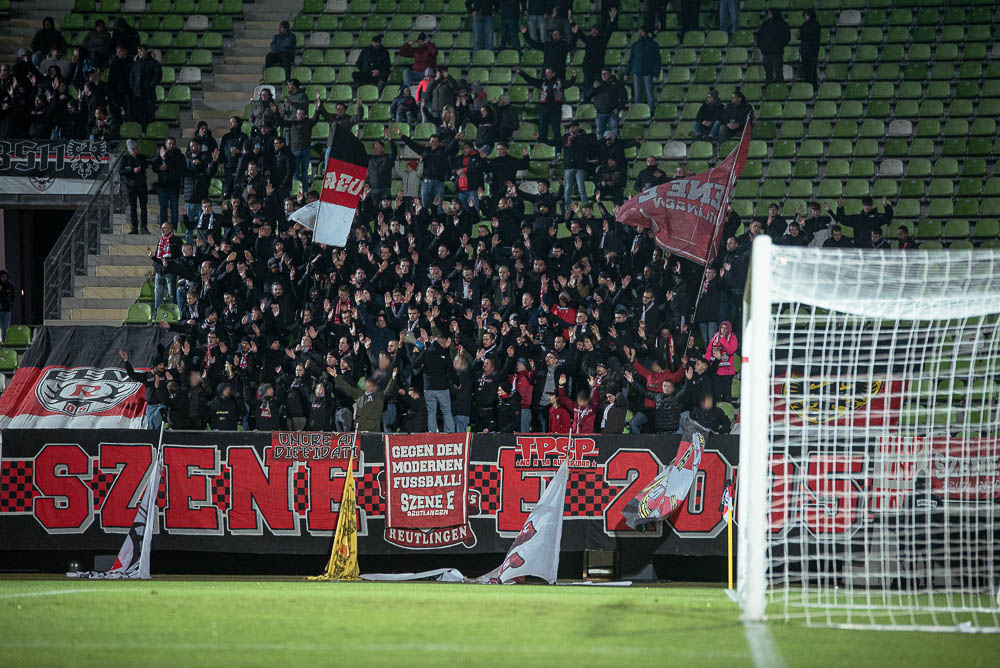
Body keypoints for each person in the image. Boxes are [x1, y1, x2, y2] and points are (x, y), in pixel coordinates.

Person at [395, 126, 459, 212]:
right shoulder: (424, 150)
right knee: (424, 207)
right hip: (426, 182)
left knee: (439, 207)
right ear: (429, 142)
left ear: (439, 143)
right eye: (432, 141)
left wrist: (456, 139)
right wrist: (401, 135)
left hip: (439, 183)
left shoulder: (443, 151)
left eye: (436, 142)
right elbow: (412, 144)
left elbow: (450, 147)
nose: (434, 143)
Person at [515, 66, 573, 146]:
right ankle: (542, 148)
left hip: (555, 110)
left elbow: (569, 83)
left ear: (553, 74)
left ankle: (558, 150)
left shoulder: (560, 82)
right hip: (543, 110)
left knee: (556, 132)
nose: (547, 74)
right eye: (546, 73)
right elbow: (531, 80)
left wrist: (573, 77)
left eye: (548, 73)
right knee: (542, 133)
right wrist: (521, 72)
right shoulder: (542, 82)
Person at [624, 369, 686, 434]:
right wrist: (633, 382)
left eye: (669, 386)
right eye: (664, 386)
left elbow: (685, 390)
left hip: (673, 432)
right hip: (660, 431)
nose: (666, 388)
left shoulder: (677, 397)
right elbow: (644, 392)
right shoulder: (658, 396)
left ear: (673, 388)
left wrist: (688, 380)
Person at [119, 348, 168, 430]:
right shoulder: (146, 375)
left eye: (163, 365)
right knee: (151, 428)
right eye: (160, 365)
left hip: (161, 405)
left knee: (159, 423)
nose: (162, 367)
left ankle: (164, 427)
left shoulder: (166, 374)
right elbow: (132, 375)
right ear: (155, 366)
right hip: (150, 407)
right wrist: (126, 361)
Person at [829, 196, 894, 249]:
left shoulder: (876, 217)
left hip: (872, 248)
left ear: (872, 206)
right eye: (865, 205)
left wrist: (886, 206)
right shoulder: (857, 218)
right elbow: (843, 219)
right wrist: (840, 208)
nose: (867, 207)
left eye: (869, 205)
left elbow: (888, 216)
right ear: (862, 206)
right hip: (858, 247)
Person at [151, 138, 185, 230]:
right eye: (170, 144)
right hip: (162, 186)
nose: (171, 145)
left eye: (173, 144)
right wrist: (159, 167)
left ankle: (174, 229)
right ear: (166, 145)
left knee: (174, 208)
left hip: (174, 186)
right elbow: (154, 167)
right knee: (163, 208)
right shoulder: (160, 154)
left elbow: (178, 168)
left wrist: (165, 159)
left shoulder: (179, 156)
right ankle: (164, 228)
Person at [625, 27, 660, 113]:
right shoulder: (635, 45)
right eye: (639, 32)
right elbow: (631, 60)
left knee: (649, 95)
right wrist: (626, 73)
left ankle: (651, 113)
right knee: (637, 95)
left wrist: (656, 74)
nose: (640, 33)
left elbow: (657, 60)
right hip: (637, 72)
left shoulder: (653, 44)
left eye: (642, 32)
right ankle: (637, 113)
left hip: (648, 72)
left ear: (646, 33)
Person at [148, 222, 182, 309]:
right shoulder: (161, 241)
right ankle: (158, 312)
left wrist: (168, 262)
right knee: (158, 292)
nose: (162, 230)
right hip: (159, 271)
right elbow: (158, 256)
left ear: (170, 229)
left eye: (164, 228)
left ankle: (174, 311)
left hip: (170, 271)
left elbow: (179, 257)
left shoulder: (177, 241)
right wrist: (152, 257)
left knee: (172, 293)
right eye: (162, 228)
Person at [587, 68, 627, 140]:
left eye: (605, 73)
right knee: (600, 133)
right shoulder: (597, 84)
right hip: (600, 113)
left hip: (612, 113)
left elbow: (624, 97)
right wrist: (593, 88)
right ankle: (600, 147)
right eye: (602, 73)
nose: (603, 75)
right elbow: (588, 96)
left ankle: (617, 146)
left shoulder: (617, 84)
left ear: (610, 74)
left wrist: (618, 108)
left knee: (615, 132)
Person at [129, 45, 161, 130]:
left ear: (146, 51)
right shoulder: (136, 63)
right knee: (140, 116)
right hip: (138, 95)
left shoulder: (153, 63)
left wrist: (149, 86)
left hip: (149, 95)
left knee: (150, 115)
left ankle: (151, 132)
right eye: (138, 51)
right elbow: (132, 75)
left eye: (141, 51)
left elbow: (158, 76)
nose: (140, 53)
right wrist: (133, 87)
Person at [120, 140, 149, 235]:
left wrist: (140, 166)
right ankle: (134, 228)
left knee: (143, 207)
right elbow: (121, 171)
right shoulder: (125, 158)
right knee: (133, 207)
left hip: (142, 185)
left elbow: (146, 165)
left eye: (136, 148)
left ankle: (144, 227)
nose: (135, 151)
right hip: (131, 186)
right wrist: (132, 170)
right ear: (130, 150)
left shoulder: (141, 157)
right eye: (133, 149)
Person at [705, 321, 738, 402]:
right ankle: (717, 409)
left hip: (727, 371)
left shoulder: (733, 337)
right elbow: (709, 351)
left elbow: (730, 350)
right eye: (722, 327)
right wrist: (707, 362)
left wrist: (723, 339)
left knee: (727, 395)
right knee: (716, 394)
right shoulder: (715, 337)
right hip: (716, 370)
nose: (723, 329)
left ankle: (728, 409)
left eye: (726, 328)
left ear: (729, 329)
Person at [756, 8, 790, 84]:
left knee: (778, 73)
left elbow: (786, 38)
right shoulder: (765, 24)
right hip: (766, 53)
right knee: (768, 74)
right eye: (768, 14)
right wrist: (761, 46)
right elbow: (758, 37)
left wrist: (777, 46)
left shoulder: (782, 24)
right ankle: (769, 89)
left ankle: (780, 89)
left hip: (777, 53)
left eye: (770, 14)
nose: (768, 16)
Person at [797, 8, 821, 89]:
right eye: (805, 15)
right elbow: (798, 36)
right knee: (806, 71)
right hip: (804, 50)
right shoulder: (804, 25)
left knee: (812, 71)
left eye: (807, 15)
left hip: (812, 51)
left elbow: (812, 36)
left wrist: (803, 34)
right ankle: (808, 88)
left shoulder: (816, 25)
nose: (805, 17)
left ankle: (813, 88)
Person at [0, 270, 15, 342]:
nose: (3, 278)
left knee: (6, 328)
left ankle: (4, 342)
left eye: (5, 277)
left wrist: (10, 304)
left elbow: (13, 296)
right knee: (0, 328)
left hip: (7, 310)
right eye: (2, 277)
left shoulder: (10, 285)